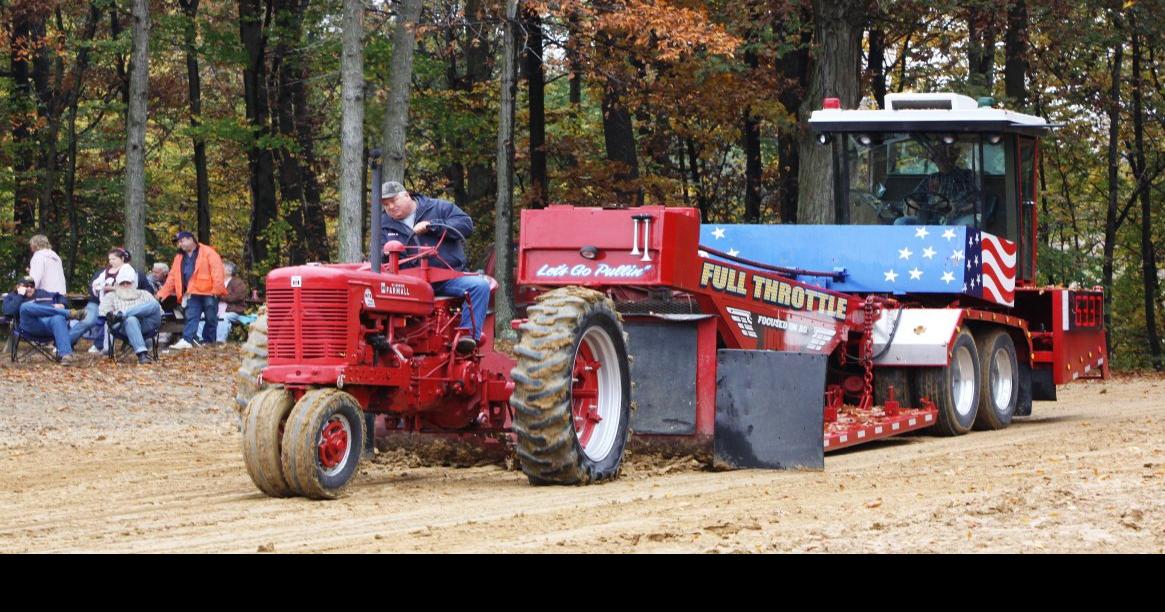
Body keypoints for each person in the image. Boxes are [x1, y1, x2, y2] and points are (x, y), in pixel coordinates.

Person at [379, 181, 489, 355]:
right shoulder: (383, 223)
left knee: (479, 286)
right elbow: (378, 254)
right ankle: (386, 342)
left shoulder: (438, 207)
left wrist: (433, 225)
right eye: (385, 205)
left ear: (407, 195)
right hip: (407, 284)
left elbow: (466, 225)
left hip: (445, 279)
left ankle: (467, 337)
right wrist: (385, 252)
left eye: (393, 201)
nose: (390, 207)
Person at [156, 231, 226, 349]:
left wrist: (217, 290)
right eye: (178, 242)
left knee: (211, 317)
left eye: (181, 241)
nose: (180, 244)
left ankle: (208, 341)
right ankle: (187, 339)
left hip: (209, 292)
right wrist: (162, 293)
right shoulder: (179, 257)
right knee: (191, 316)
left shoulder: (208, 252)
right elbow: (172, 277)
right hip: (192, 292)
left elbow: (217, 271)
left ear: (191, 239)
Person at [70, 248, 138, 354]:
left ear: (122, 258)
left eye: (114, 259)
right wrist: (101, 287)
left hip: (120, 303)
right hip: (102, 302)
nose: (111, 261)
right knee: (94, 320)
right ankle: (67, 343)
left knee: (111, 321)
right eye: (110, 259)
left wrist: (110, 288)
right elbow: (95, 284)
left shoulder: (127, 269)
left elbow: (127, 286)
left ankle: (107, 347)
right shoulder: (105, 271)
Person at [895, 145, 980, 226]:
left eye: (943, 157)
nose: (940, 160)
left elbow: (972, 196)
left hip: (955, 219)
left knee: (968, 225)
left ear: (952, 159)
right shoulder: (931, 178)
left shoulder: (965, 175)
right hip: (928, 219)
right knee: (900, 222)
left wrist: (952, 205)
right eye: (937, 158)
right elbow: (915, 196)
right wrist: (911, 203)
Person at [2, 277, 80, 366]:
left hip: (47, 325)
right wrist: (20, 295)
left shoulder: (42, 293)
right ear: (18, 287)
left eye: (32, 286)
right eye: (26, 286)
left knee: (58, 318)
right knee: (25, 307)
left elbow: (60, 296)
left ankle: (66, 355)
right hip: (28, 327)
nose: (29, 288)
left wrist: (62, 304)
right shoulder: (12, 296)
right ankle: (68, 313)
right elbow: (8, 312)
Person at [100, 277, 162, 365]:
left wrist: (123, 313)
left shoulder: (144, 294)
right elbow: (103, 312)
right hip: (124, 326)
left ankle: (123, 314)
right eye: (122, 283)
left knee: (155, 304)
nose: (125, 285)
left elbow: (159, 310)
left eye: (128, 282)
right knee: (131, 319)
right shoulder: (111, 296)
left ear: (134, 284)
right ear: (117, 285)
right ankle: (142, 354)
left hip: (146, 324)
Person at [197, 260, 248, 342]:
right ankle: (200, 340)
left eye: (222, 267)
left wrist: (219, 295)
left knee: (223, 317)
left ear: (229, 271)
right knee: (202, 315)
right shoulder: (217, 281)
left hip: (233, 311)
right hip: (216, 309)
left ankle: (220, 341)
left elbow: (236, 297)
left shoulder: (238, 282)